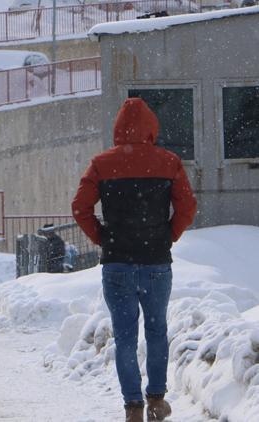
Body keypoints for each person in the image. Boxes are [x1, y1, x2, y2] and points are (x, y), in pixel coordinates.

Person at [71, 98, 197, 422]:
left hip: (117, 265)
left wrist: (102, 237)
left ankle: (133, 408)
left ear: (118, 128)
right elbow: (187, 208)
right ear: (152, 126)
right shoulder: (169, 162)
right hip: (156, 263)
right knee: (156, 331)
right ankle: (156, 399)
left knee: (124, 336)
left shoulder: (101, 163)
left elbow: (80, 207)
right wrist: (168, 235)